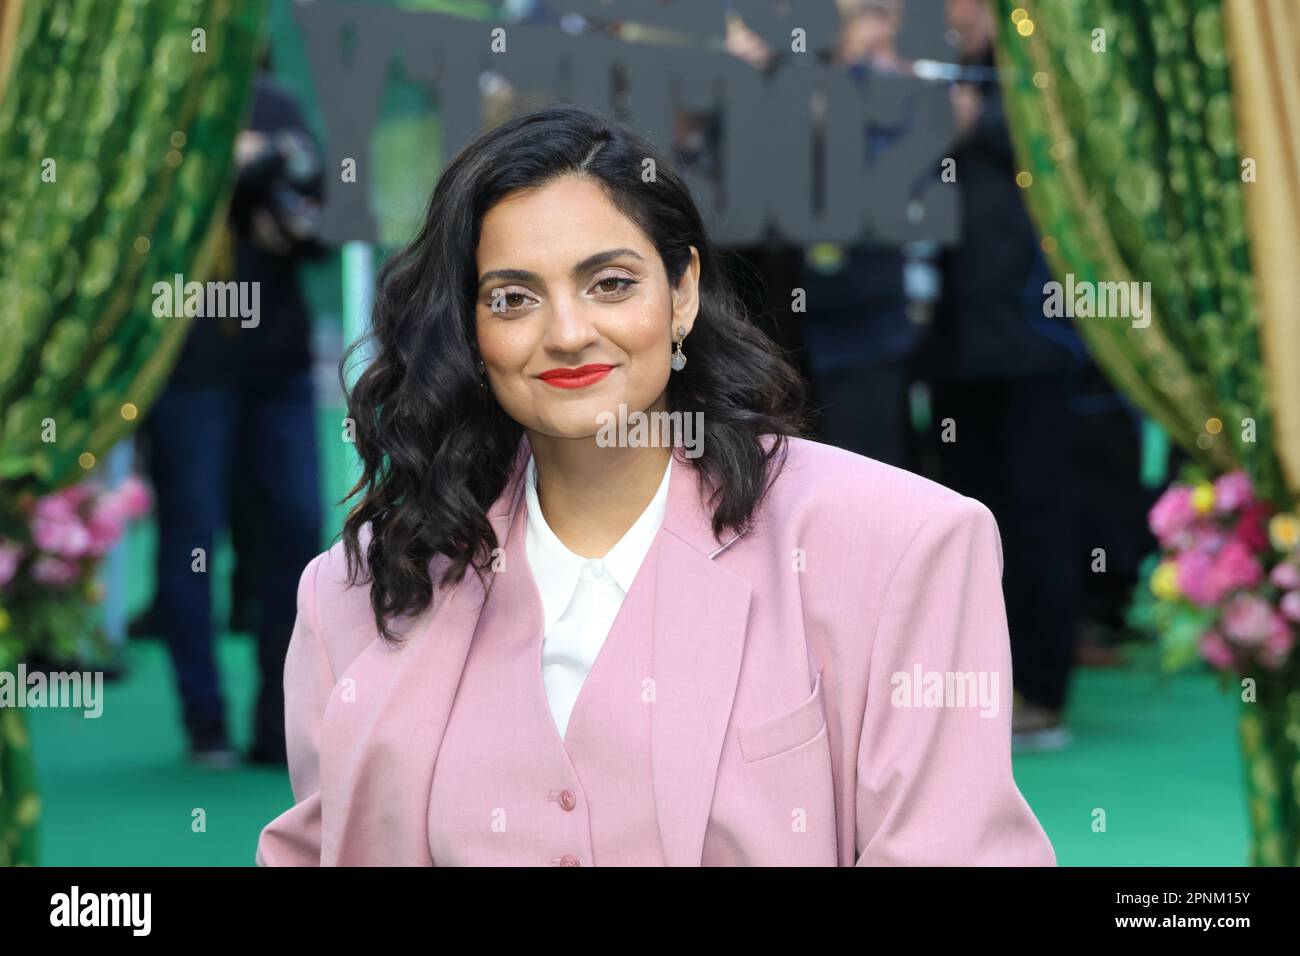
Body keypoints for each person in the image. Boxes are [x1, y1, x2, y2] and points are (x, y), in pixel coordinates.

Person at [256, 106, 1054, 866]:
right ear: (470, 330)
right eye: (513, 298)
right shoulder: (360, 593)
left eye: (609, 283)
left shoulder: (897, 545)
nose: (568, 333)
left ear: (683, 293)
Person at [144, 66, 327, 767]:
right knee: (191, 534)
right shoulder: (156, 101)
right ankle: (204, 721)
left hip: (276, 363)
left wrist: (270, 180)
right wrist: (233, 167)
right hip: (187, 363)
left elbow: (318, 216)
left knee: (298, 525)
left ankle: (277, 723)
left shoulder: (277, 101)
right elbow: (158, 211)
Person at [926, 0, 1084, 750]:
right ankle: (984, 683)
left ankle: (1044, 688)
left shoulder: (1040, 77)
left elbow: (1063, 149)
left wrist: (967, 125)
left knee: (1038, 511)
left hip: (1032, 336)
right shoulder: (927, 67)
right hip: (952, 343)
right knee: (967, 515)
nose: (956, 13)